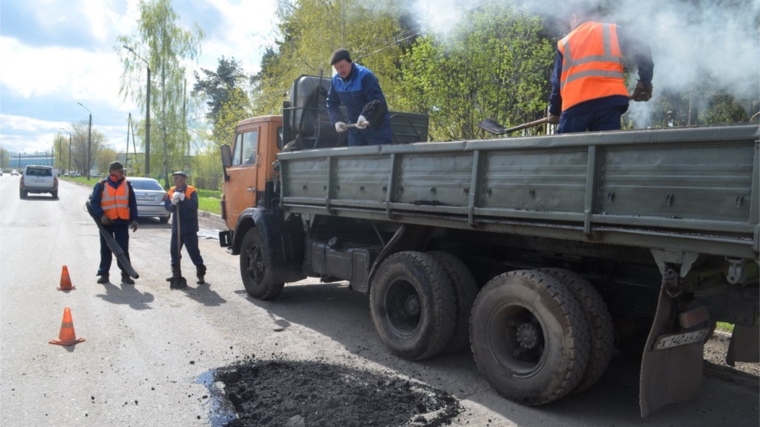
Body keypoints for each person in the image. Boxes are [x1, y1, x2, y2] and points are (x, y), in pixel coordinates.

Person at [548, 4, 654, 133]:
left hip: (575, 106)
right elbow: (642, 49)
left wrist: (555, 111)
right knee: (606, 149)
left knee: (567, 150)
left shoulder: (565, 43)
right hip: (609, 103)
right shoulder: (613, 31)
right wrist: (644, 82)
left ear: (574, 18)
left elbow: (556, 83)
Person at [326, 48, 393, 146]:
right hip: (356, 131)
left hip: (376, 129)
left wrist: (365, 115)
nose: (340, 71)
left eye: (342, 67)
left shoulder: (366, 76)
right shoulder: (335, 81)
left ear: (350, 62)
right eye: (337, 68)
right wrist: (336, 120)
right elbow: (331, 103)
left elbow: (376, 100)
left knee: (380, 159)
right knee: (355, 159)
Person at [90, 161, 139, 284]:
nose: (122, 173)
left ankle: (126, 274)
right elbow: (94, 203)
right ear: (112, 171)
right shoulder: (101, 185)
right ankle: (104, 274)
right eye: (119, 170)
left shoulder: (127, 185)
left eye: (123, 171)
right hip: (106, 223)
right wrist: (101, 216)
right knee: (106, 249)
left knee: (123, 249)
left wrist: (135, 219)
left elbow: (132, 203)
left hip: (122, 222)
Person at [163, 171, 206, 286]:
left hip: (189, 228)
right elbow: (167, 207)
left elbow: (194, 206)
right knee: (174, 251)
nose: (174, 180)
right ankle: (176, 275)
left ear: (183, 180)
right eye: (174, 178)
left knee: (193, 251)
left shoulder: (191, 191)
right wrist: (172, 203)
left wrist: (183, 199)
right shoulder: (171, 191)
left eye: (176, 178)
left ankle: (200, 273)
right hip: (177, 229)